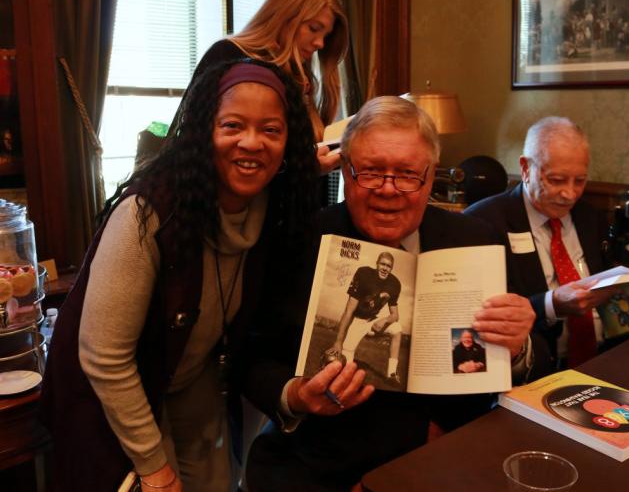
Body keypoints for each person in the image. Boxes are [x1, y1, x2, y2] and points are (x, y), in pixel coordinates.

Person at [39, 58, 320, 492]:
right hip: (109, 397)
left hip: (190, 381)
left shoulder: (273, 212)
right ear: (203, 130)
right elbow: (104, 357)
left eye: (271, 130)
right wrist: (153, 467)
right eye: (232, 126)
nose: (251, 143)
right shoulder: (147, 213)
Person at [241, 96, 541, 491]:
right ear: (346, 173)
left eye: (406, 173)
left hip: (449, 459)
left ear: (430, 177)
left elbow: (516, 364)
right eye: (371, 171)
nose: (388, 189)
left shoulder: (476, 240)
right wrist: (295, 395)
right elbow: (251, 357)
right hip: (322, 465)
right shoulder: (299, 240)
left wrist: (517, 349)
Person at [465, 116, 614, 369]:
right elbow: (485, 316)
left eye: (580, 181)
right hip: (536, 369)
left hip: (604, 358)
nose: (570, 194)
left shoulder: (589, 217)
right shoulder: (483, 223)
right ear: (525, 168)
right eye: (556, 180)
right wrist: (552, 303)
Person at [170, 0, 348, 174]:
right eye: (313, 29)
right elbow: (191, 139)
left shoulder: (301, 78)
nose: (320, 43)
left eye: (325, 36)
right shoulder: (227, 55)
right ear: (283, 17)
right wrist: (304, 168)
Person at [329, 252, 403, 385]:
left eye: (389, 266)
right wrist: (338, 341)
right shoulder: (364, 274)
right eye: (383, 264)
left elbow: (395, 315)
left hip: (374, 320)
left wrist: (384, 320)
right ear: (377, 264)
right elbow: (348, 311)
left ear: (391, 268)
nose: (385, 268)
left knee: (397, 329)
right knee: (345, 365)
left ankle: (391, 374)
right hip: (358, 320)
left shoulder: (394, 284)